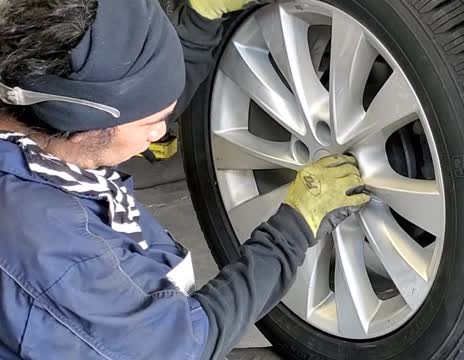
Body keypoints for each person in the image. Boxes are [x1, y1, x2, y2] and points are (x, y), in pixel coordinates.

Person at [0, 0, 370, 359]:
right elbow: (183, 345)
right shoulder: (60, 257)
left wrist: (200, 20)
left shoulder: (39, 106)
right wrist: (294, 228)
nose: (163, 132)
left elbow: (132, 97)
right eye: (149, 124)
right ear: (83, 131)